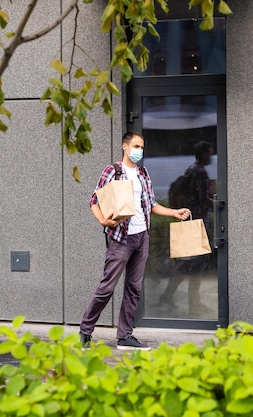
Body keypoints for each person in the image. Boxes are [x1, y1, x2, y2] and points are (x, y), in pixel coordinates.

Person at [79, 132, 191, 350]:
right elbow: (94, 200)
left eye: (142, 147)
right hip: (120, 239)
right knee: (107, 287)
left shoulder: (142, 173)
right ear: (125, 146)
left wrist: (174, 213)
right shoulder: (113, 171)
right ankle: (85, 330)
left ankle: (125, 336)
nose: (140, 150)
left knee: (133, 288)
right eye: (136, 146)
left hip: (142, 237)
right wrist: (103, 220)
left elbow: (150, 205)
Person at [160, 141, 214, 314]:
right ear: (205, 154)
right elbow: (203, 198)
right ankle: (192, 303)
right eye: (210, 153)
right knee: (194, 264)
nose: (211, 156)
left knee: (189, 263)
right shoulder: (199, 173)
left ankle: (178, 298)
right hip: (197, 224)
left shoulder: (191, 170)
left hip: (191, 222)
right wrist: (220, 205)